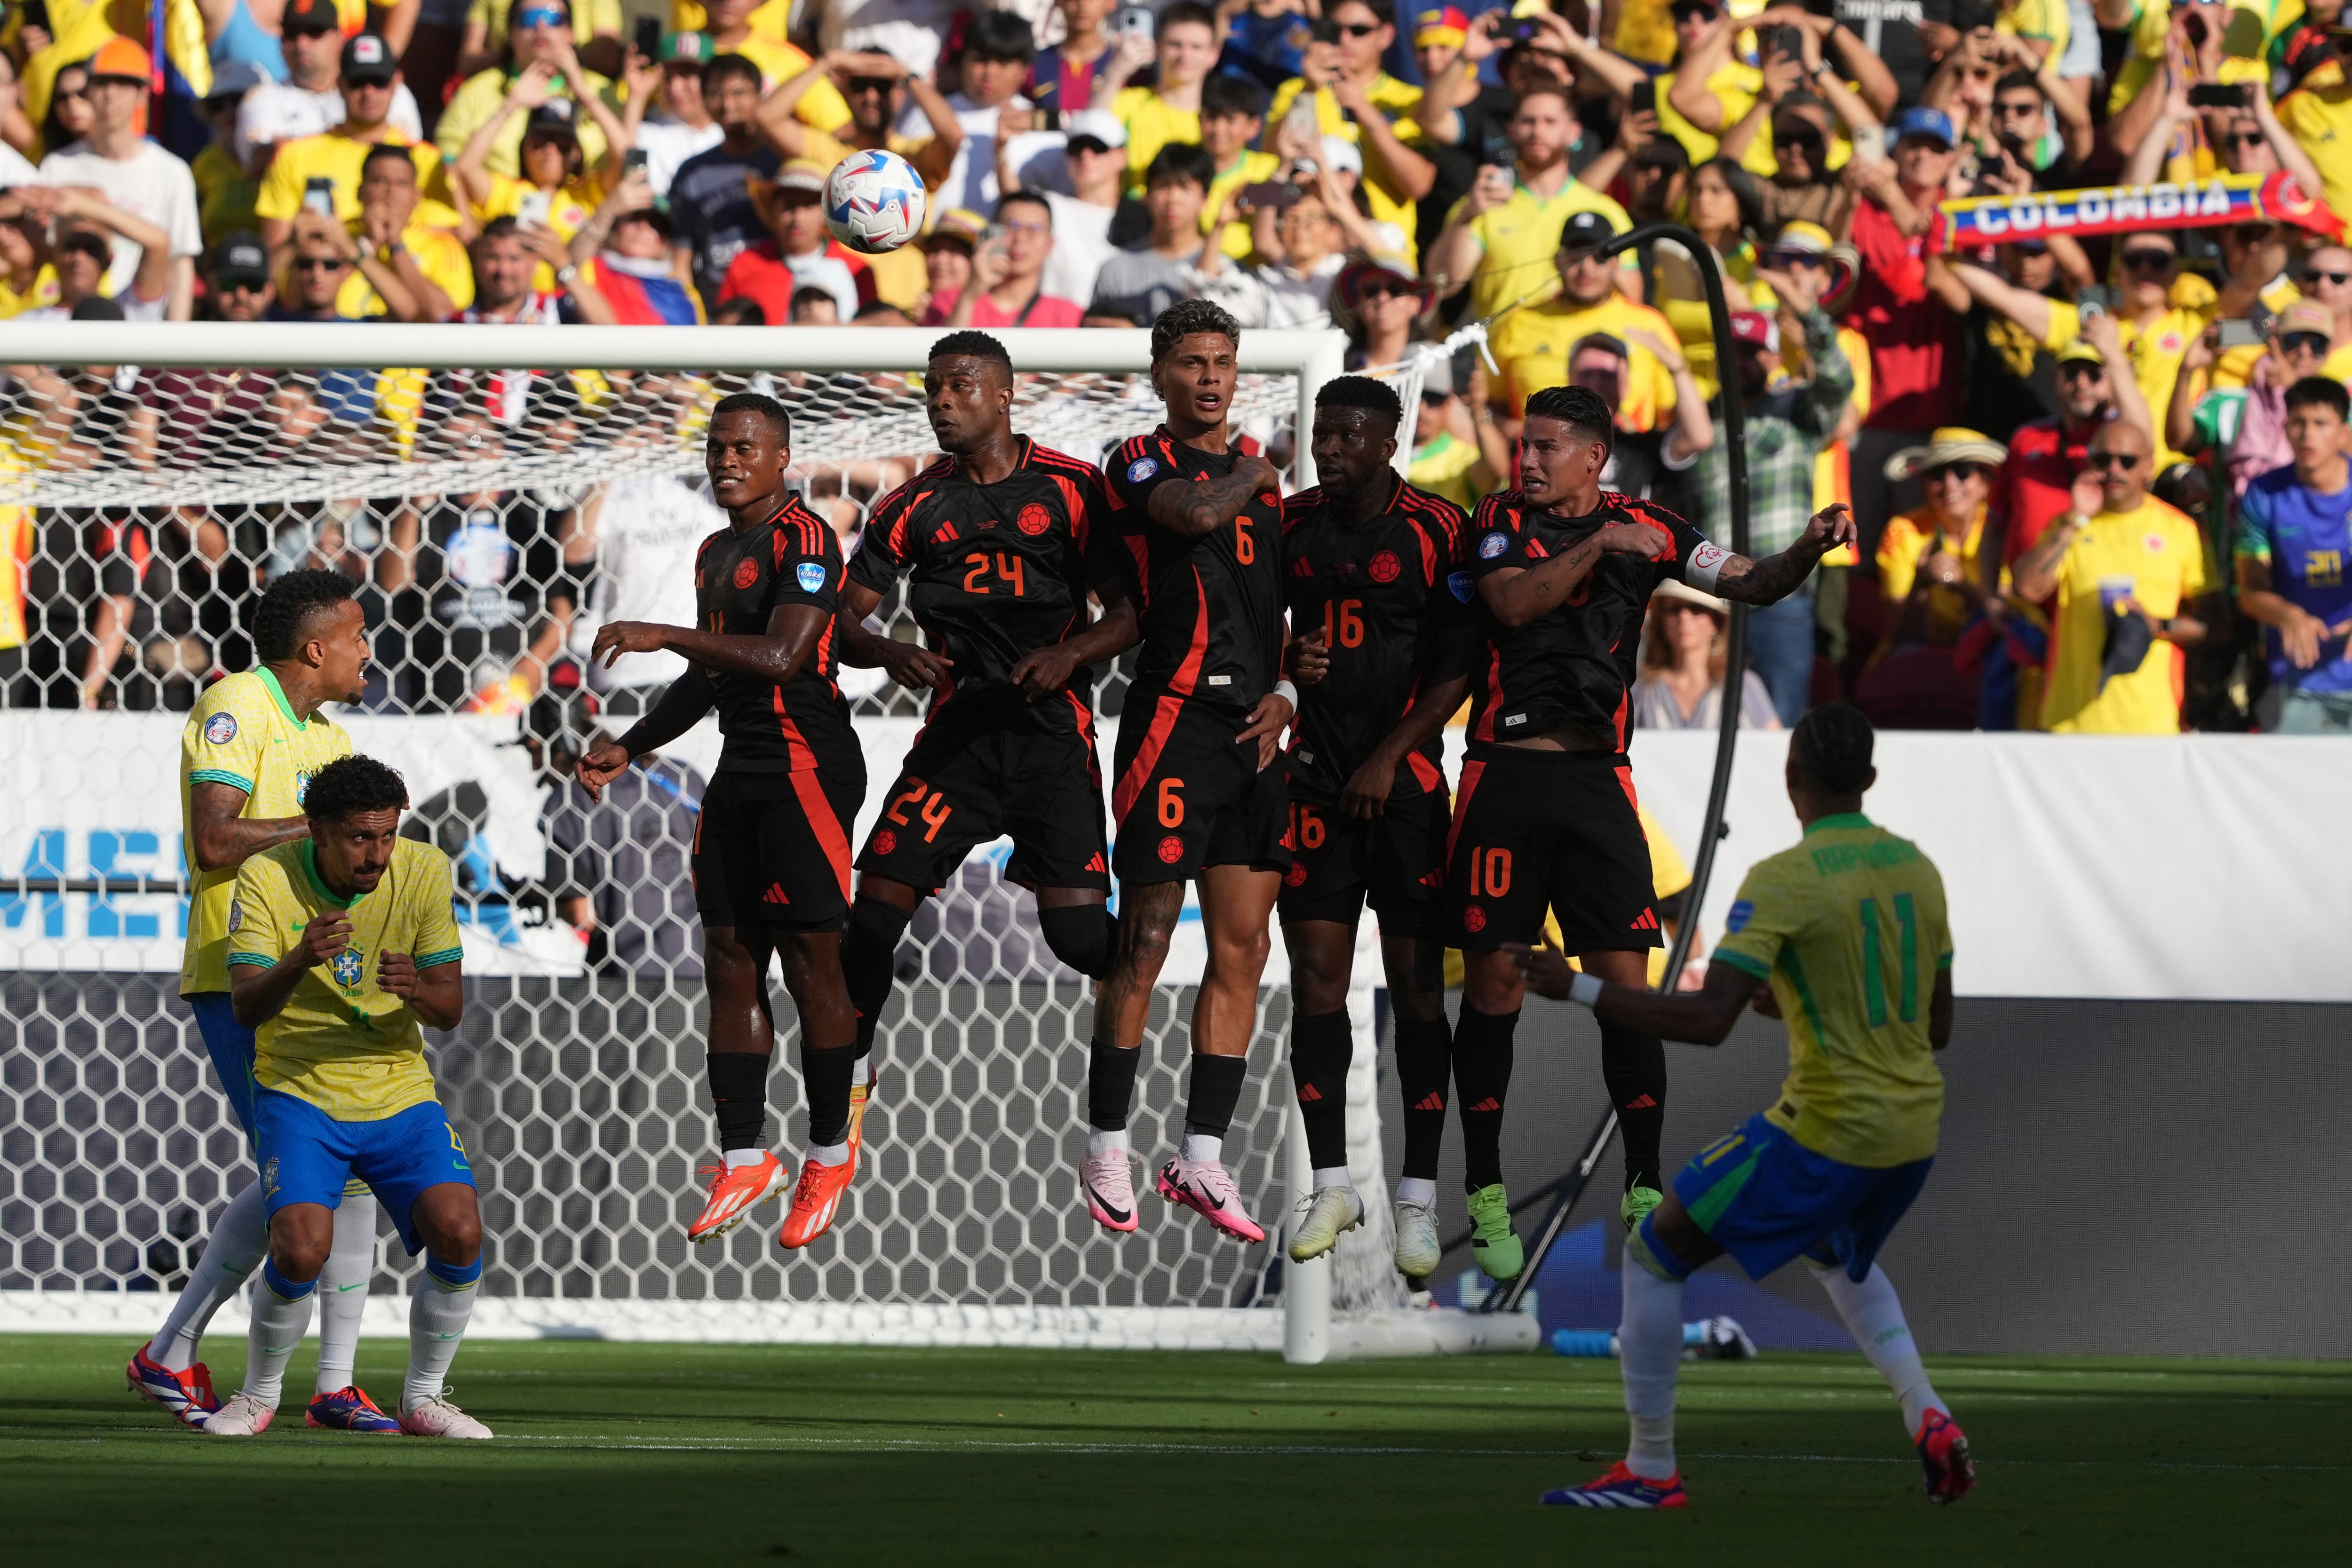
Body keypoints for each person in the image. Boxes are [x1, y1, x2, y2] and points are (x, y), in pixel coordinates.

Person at [1517, 705, 1973, 1511]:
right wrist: (1799, 995)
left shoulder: (1783, 879)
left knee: (1658, 1252)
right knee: (1837, 1254)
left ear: (1791, 775)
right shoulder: (1921, 869)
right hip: (1916, 1133)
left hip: (1830, 1128)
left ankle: (1650, 1470)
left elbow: (1705, 1020)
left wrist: (1576, 983)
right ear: (1868, 779)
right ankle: (1927, 1411)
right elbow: (1935, 1024)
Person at [1449, 383, 1858, 1277]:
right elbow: (1513, 606)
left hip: (1598, 781)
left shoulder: (1656, 528)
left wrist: (1808, 546)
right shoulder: (1497, 520)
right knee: (1496, 986)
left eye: (1547, 447)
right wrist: (1600, 542)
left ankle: (1642, 1179)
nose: (1528, 459)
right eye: (1525, 443)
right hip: (1503, 775)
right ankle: (1483, 1186)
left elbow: (1752, 582)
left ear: (1594, 458)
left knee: (1623, 981)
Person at [832, 331, 1135, 1215]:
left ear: (1005, 396)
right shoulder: (909, 507)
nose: (942, 400)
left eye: (960, 385)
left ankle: (1117, 1123)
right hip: (956, 743)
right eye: (933, 388)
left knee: (1083, 943)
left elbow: (1128, 612)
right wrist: (888, 649)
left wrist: (1070, 651)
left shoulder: (1076, 490)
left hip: (1050, 740)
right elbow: (844, 625)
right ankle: (850, 1082)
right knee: (872, 912)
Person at [574, 394, 868, 1251]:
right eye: (716, 447)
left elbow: (780, 655)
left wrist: (662, 632)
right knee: (730, 954)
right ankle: (744, 1154)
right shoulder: (715, 551)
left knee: (813, 957)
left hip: (806, 765)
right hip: (738, 767)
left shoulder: (806, 540)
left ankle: (827, 1149)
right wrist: (631, 744)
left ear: (782, 457)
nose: (727, 460)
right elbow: (709, 679)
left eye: (745, 447)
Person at [125, 571, 381, 1433]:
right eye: (357, 635)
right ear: (316, 647)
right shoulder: (236, 703)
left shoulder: (331, 735)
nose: (368, 650)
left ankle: (288, 1374)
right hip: (240, 974)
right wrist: (325, 832)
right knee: (319, 1176)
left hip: (316, 976)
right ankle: (201, 1354)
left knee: (335, 1171)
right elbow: (215, 837)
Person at [1085, 298, 1297, 1243]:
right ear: (1159, 375)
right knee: (1147, 935)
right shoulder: (1137, 460)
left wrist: (1289, 687)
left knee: (1244, 946)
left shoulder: (1270, 488)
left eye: (1222, 361)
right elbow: (1200, 510)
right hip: (1171, 719)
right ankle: (1105, 1140)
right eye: (1192, 363)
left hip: (1253, 730)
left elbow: (1281, 607)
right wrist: (1259, 463)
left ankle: (1200, 1156)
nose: (1209, 377)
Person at [202, 754, 489, 1441]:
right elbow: (245, 1007)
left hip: (397, 1090)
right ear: (319, 831)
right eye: (362, 837)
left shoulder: (422, 870)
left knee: (461, 1230)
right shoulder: (267, 877)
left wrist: (416, 990)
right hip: (300, 1090)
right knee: (301, 1248)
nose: (378, 853)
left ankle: (422, 1399)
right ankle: (258, 1395)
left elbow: (451, 1008)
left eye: (388, 834)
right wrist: (299, 958)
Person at [1273, 376, 1473, 1275]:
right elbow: (1258, 631)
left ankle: (1420, 1199)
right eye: (1325, 433)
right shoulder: (1294, 522)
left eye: (1351, 434)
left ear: (1390, 443)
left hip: (1405, 786)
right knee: (1316, 983)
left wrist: (1392, 754)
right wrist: (1292, 657)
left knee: (1418, 986)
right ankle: (1333, 1180)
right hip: (1315, 782)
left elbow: (1459, 664)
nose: (1332, 447)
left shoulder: (1436, 529)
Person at [1683, 263, 1855, 724]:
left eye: (1753, 352)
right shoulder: (1700, 417)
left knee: (1777, 728)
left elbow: (1839, 382)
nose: (1740, 362)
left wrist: (1807, 315)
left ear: (1774, 358)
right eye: (1732, 352)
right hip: (1707, 599)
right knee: (1702, 724)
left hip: (1781, 599)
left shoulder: (1795, 410)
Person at [2012, 420, 2212, 734]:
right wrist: (2074, 519)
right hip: (2070, 723)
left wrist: (2157, 626)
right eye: (2103, 460)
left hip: (2151, 723)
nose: (2114, 469)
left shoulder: (2181, 531)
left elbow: (2213, 625)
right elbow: (2026, 588)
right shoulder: (2070, 525)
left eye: (2127, 461)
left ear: (2149, 467)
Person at [1425, 82, 1631, 341]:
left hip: (1581, 364)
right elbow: (1443, 283)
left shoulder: (1605, 211)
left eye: (1550, 121)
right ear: (1511, 131)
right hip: (1505, 365)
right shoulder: (1482, 203)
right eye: (1528, 121)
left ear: (1574, 132)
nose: (1537, 131)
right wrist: (1467, 216)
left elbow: (1631, 298)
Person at [537, 691, 707, 974]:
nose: (533, 767)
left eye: (534, 751)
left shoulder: (568, 802)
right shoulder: (685, 776)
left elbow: (581, 914)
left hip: (626, 983)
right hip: (713, 969)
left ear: (562, 744)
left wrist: (542, 897)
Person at [36, 37, 201, 321]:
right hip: (63, 322)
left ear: (143, 94)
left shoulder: (171, 171)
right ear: (87, 91)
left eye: (123, 83)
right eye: (100, 83)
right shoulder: (58, 166)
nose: (110, 94)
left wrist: (174, 348)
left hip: (138, 323)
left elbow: (180, 264)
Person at [253, 34, 444, 272]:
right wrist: (294, 242)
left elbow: (443, 257)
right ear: (340, 84)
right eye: (358, 82)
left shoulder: (427, 160)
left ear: (397, 83)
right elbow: (270, 272)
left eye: (379, 82)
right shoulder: (294, 156)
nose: (369, 93)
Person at [2234, 377, 2352, 733]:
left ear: (2344, 432)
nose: (2307, 435)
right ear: (2284, 427)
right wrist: (2287, 616)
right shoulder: (2264, 494)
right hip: (2294, 681)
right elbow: (2250, 591)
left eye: (2321, 424)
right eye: (2298, 422)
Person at [2171, 302, 2338, 504]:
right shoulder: (2231, 404)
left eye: (2317, 345)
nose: (2304, 351)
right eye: (2293, 341)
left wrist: (2293, 389)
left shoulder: (2340, 412)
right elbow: (2178, 441)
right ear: (2274, 343)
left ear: (2329, 352)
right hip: (2241, 529)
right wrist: (2185, 372)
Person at [236, 0, 427, 161]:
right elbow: (262, 165)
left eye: (314, 32)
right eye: (292, 34)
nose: (302, 44)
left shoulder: (382, 89)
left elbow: (406, 161)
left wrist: (291, 147)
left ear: (340, 38)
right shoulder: (262, 99)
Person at [667, 52, 775, 307]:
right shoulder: (692, 173)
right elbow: (680, 259)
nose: (727, 104)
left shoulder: (781, 162)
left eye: (739, 93)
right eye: (716, 94)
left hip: (776, 302)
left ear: (760, 95)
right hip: (718, 309)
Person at [717, 157, 866, 324]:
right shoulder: (744, 265)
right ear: (774, 209)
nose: (798, 218)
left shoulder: (858, 270)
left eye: (809, 205)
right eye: (789, 205)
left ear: (827, 213)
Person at [1090, 141, 1217, 326]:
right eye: (1163, 186)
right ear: (1147, 196)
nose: (1173, 199)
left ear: (1204, 199)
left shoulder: (1224, 271)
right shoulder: (1115, 270)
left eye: (1185, 188)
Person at [1631, 578, 1780, 729]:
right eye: (1675, 609)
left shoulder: (1743, 685)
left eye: (1696, 609)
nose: (1684, 617)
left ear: (1715, 622)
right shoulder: (1642, 689)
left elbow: (1775, 745)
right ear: (1661, 622)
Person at [926, 190, 1083, 328]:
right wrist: (969, 297)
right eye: (1012, 226)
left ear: (1050, 244)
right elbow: (946, 358)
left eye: (1034, 229)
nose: (1020, 239)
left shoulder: (1068, 317)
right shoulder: (949, 302)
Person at [631, 32, 722, 198]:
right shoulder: (645, 134)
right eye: (667, 77)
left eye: (687, 75)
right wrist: (636, 98)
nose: (675, 87)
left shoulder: (732, 134)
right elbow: (630, 171)